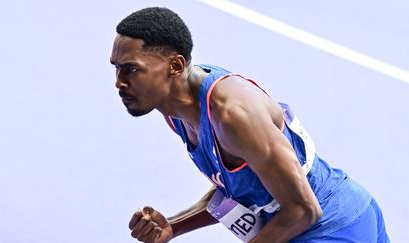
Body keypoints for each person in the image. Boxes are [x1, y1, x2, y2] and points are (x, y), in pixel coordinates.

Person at [110, 7, 390, 243]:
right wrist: (174, 225)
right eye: (116, 67)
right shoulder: (174, 107)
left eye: (132, 69)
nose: (119, 82)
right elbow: (240, 187)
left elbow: (303, 209)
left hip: (336, 227)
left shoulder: (233, 115)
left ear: (175, 65)